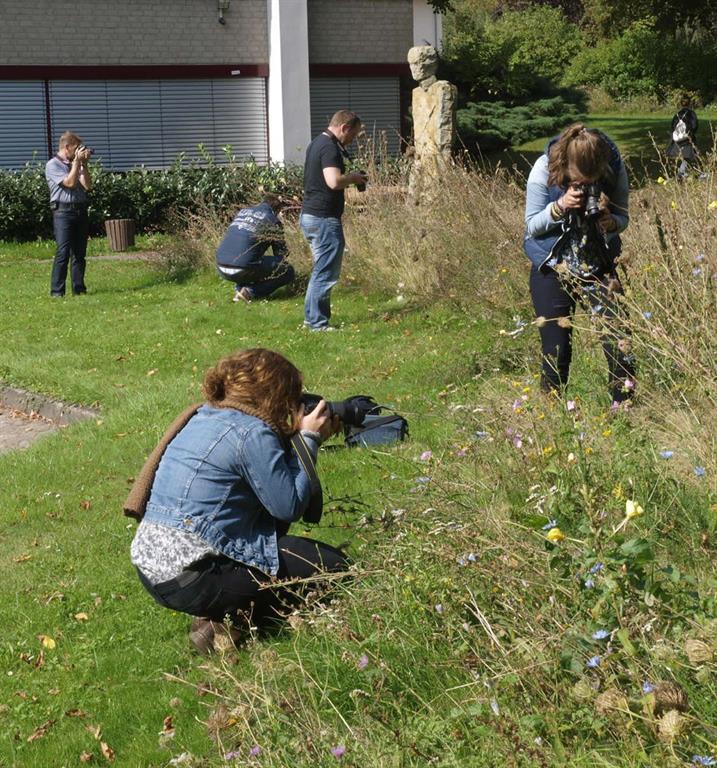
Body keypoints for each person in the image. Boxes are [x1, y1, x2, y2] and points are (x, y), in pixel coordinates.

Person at [130, 348, 348, 653]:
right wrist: (309, 440)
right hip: (196, 578)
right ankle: (227, 623)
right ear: (276, 393)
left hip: (152, 570)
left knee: (288, 556)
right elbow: (288, 505)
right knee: (334, 567)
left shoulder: (202, 415)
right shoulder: (252, 432)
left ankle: (217, 618)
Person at [524, 123, 635, 407]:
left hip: (598, 265)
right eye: (578, 181)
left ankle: (624, 408)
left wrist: (612, 223)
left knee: (620, 339)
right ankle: (551, 413)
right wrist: (559, 206)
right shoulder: (543, 168)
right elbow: (532, 226)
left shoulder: (614, 166)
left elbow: (623, 217)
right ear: (564, 166)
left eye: (591, 181)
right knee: (556, 347)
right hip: (553, 265)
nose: (585, 186)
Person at [300, 110, 367, 331]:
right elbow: (334, 181)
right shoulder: (329, 147)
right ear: (344, 128)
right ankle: (318, 323)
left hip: (310, 215)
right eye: (353, 135)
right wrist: (354, 178)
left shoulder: (316, 143)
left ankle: (312, 320)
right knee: (325, 272)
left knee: (321, 269)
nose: (353, 140)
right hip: (323, 218)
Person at [215, 195, 295, 303]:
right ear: (277, 209)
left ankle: (240, 291)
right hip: (243, 267)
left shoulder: (242, 212)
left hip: (220, 266)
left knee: (251, 262)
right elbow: (280, 254)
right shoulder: (272, 220)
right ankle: (250, 292)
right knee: (287, 270)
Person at [45, 131, 93, 298]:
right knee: (63, 252)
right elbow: (70, 183)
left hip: (80, 210)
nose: (79, 151)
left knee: (79, 253)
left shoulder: (77, 163)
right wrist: (76, 163)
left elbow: (87, 186)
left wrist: (83, 165)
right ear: (67, 147)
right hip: (63, 212)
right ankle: (57, 292)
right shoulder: (53, 165)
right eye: (77, 148)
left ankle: (79, 289)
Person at [666, 96, 699, 180]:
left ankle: (683, 173)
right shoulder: (691, 114)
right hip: (687, 139)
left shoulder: (677, 114)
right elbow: (694, 126)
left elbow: (673, 126)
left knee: (684, 157)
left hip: (677, 139)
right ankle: (681, 174)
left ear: (681, 104)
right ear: (690, 103)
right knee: (688, 157)